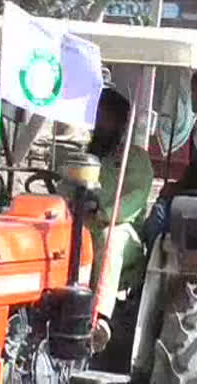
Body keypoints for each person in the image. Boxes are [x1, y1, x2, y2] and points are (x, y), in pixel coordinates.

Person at [86, 87, 154, 354]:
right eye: (98, 116)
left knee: (109, 237)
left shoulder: (136, 160)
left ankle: (98, 319)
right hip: (85, 224)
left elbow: (135, 199)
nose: (100, 122)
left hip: (125, 233)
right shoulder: (85, 157)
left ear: (121, 123)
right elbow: (66, 187)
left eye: (107, 117)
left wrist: (103, 213)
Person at [143, 70, 197, 251]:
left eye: (195, 91)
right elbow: (194, 168)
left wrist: (179, 189)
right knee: (154, 217)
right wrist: (176, 186)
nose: (192, 97)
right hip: (191, 193)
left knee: (158, 218)